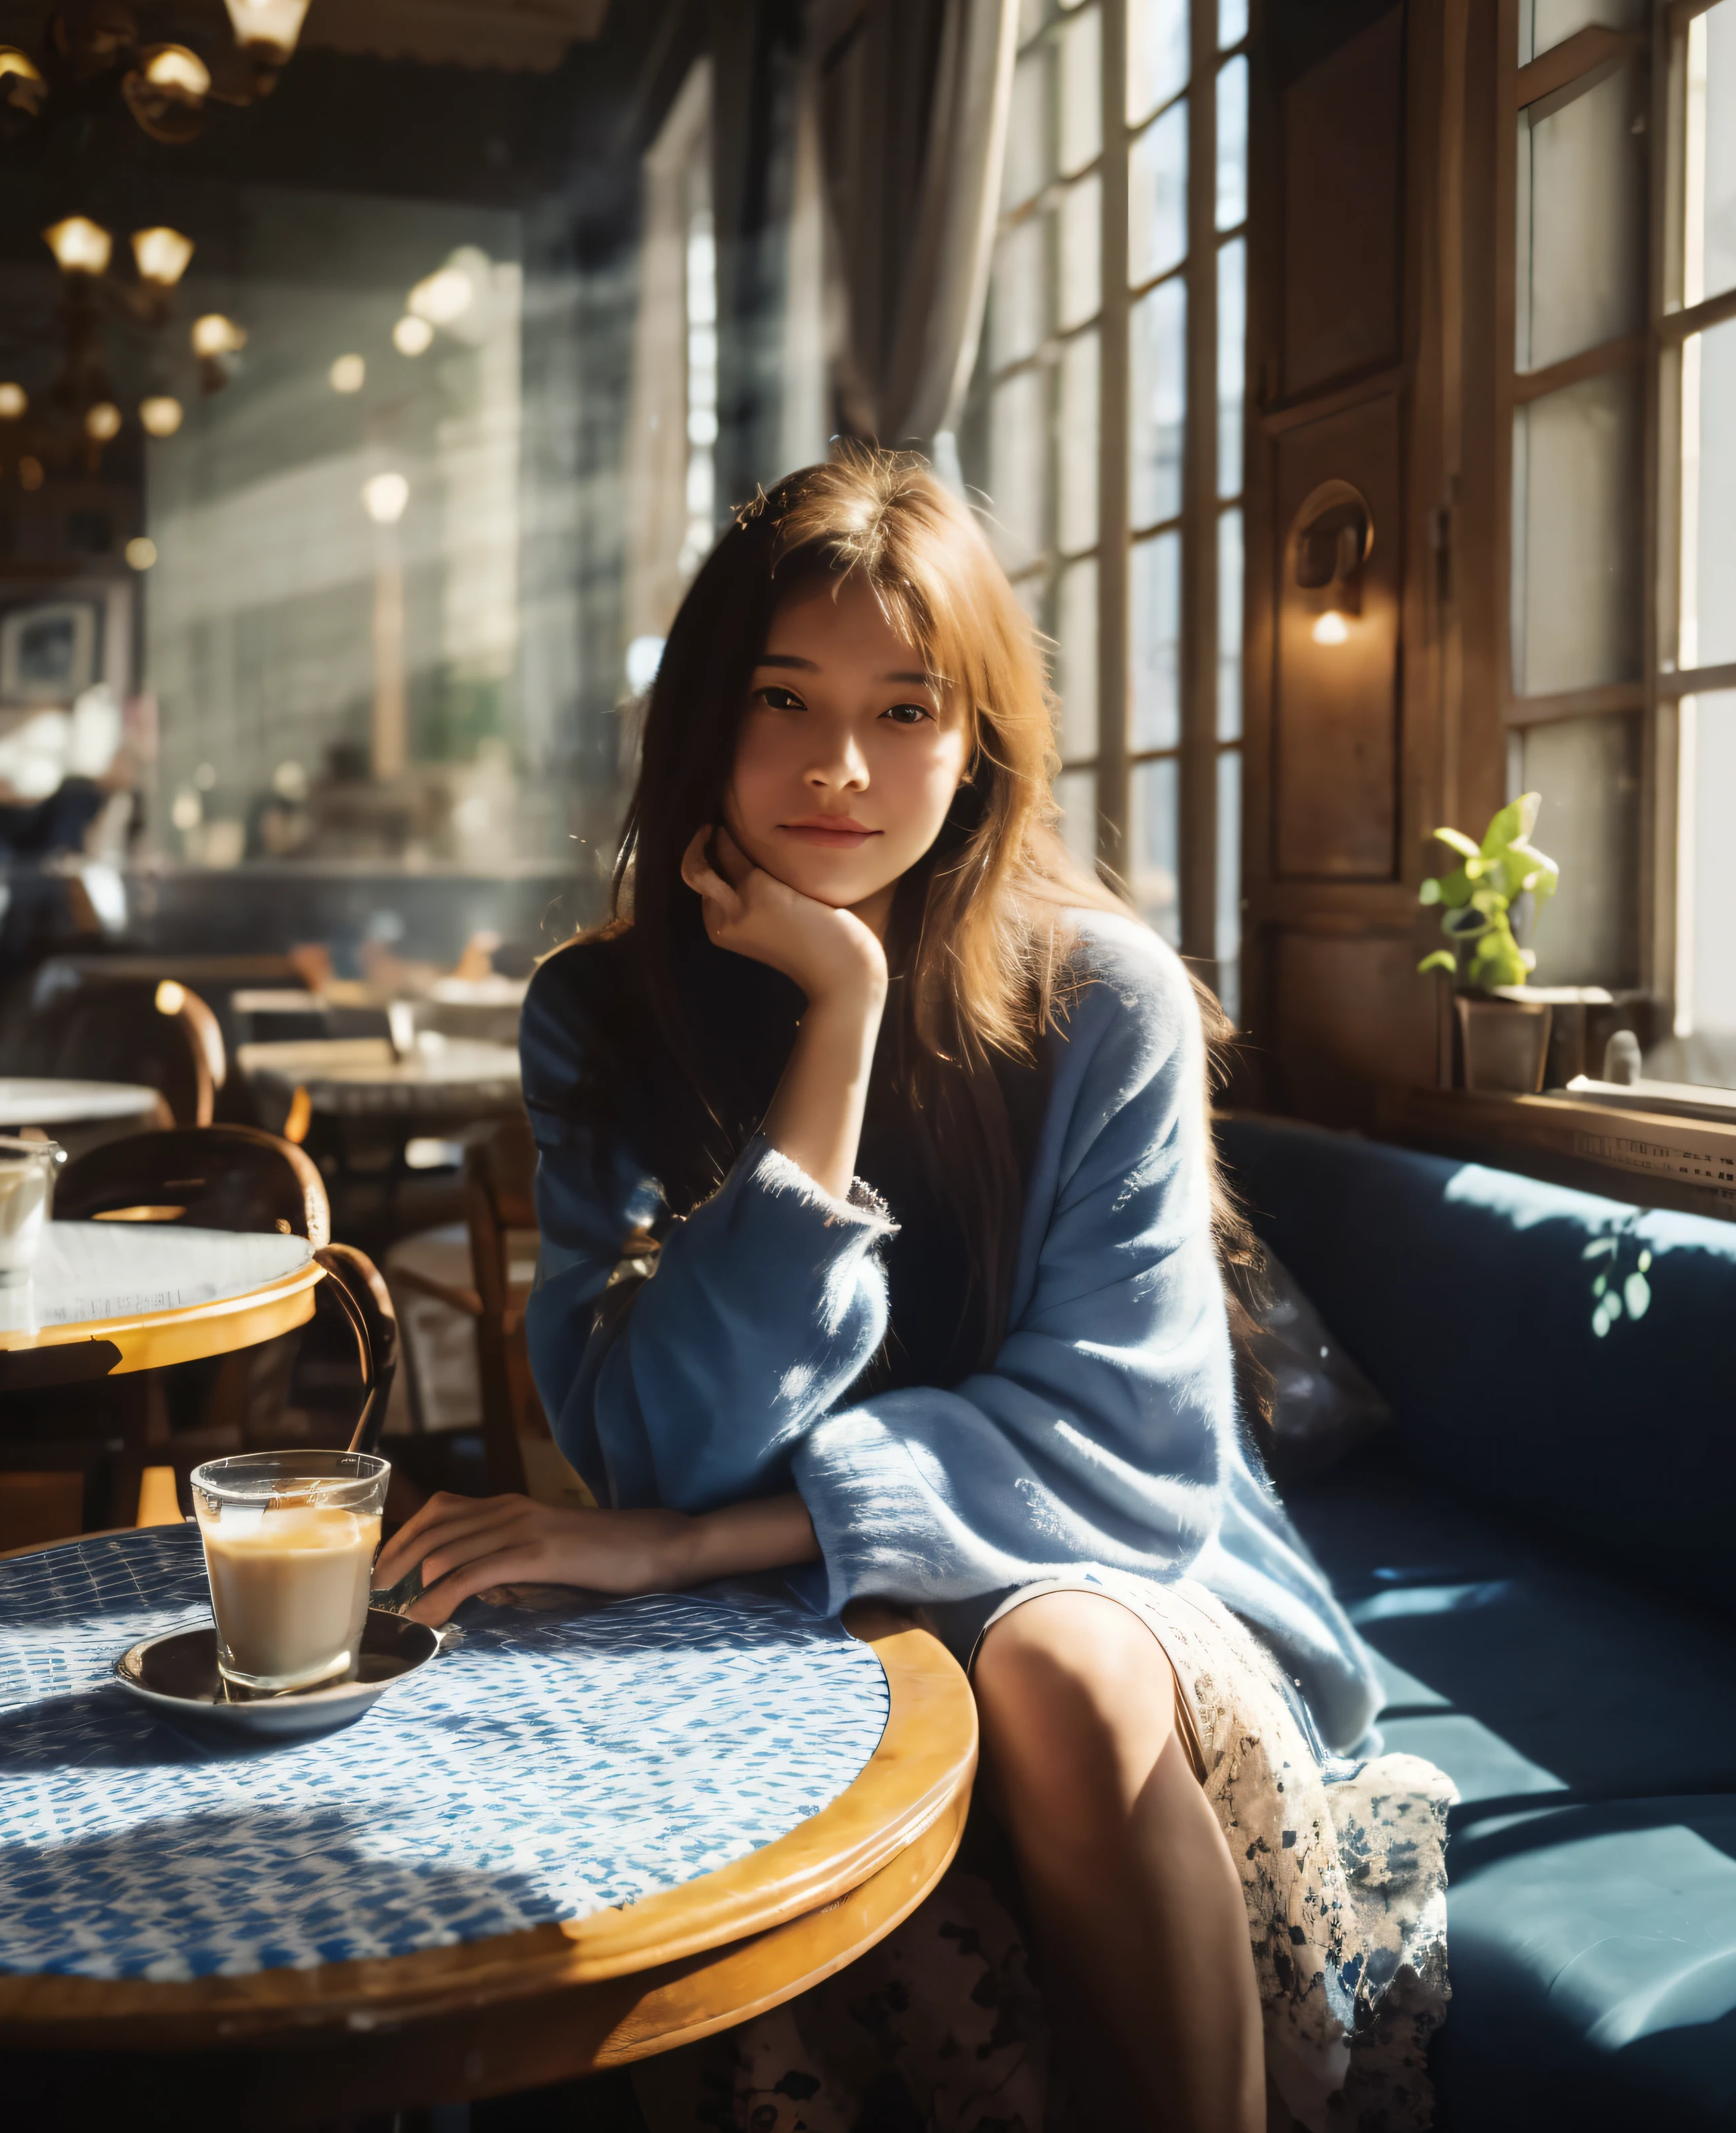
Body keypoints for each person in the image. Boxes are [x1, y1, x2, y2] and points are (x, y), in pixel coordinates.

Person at [373, 451, 1449, 2132]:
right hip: (778, 1595)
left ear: (980, 741)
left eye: (904, 709)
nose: (837, 769)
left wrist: (682, 1543)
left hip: (1110, 1573)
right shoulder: (600, 1013)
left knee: (1057, 1669)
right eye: (781, 700)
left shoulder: (1105, 1000)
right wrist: (837, 1024)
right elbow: (648, 1445)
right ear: (701, 724)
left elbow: (1118, 1448)